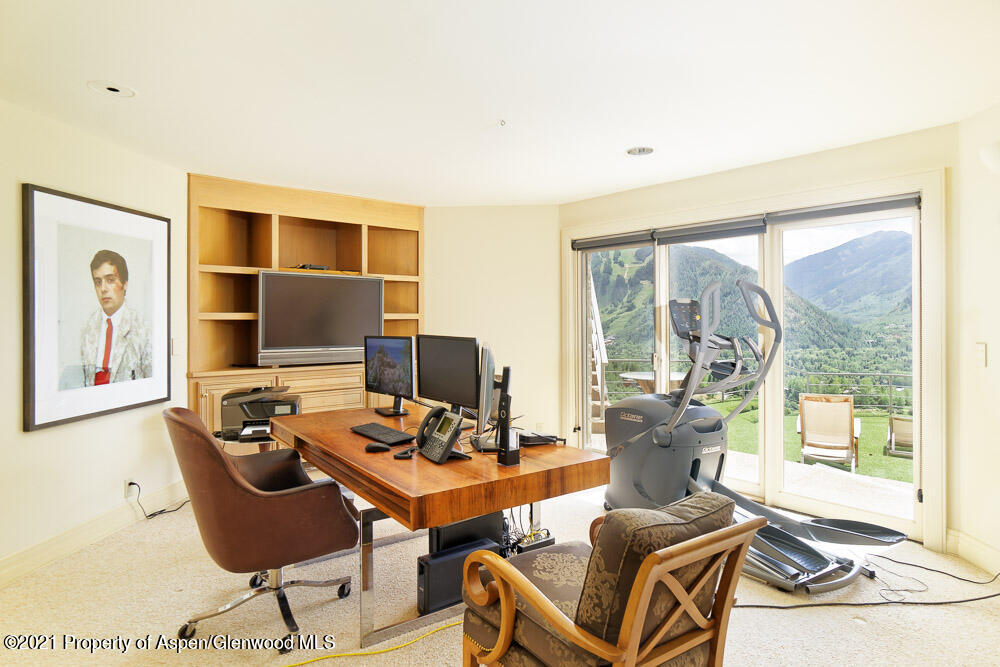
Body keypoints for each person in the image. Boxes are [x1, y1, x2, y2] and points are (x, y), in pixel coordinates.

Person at [80, 250, 152, 386]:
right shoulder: (87, 327)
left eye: (110, 280)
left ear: (125, 284)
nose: (103, 288)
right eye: (98, 282)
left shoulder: (142, 328)